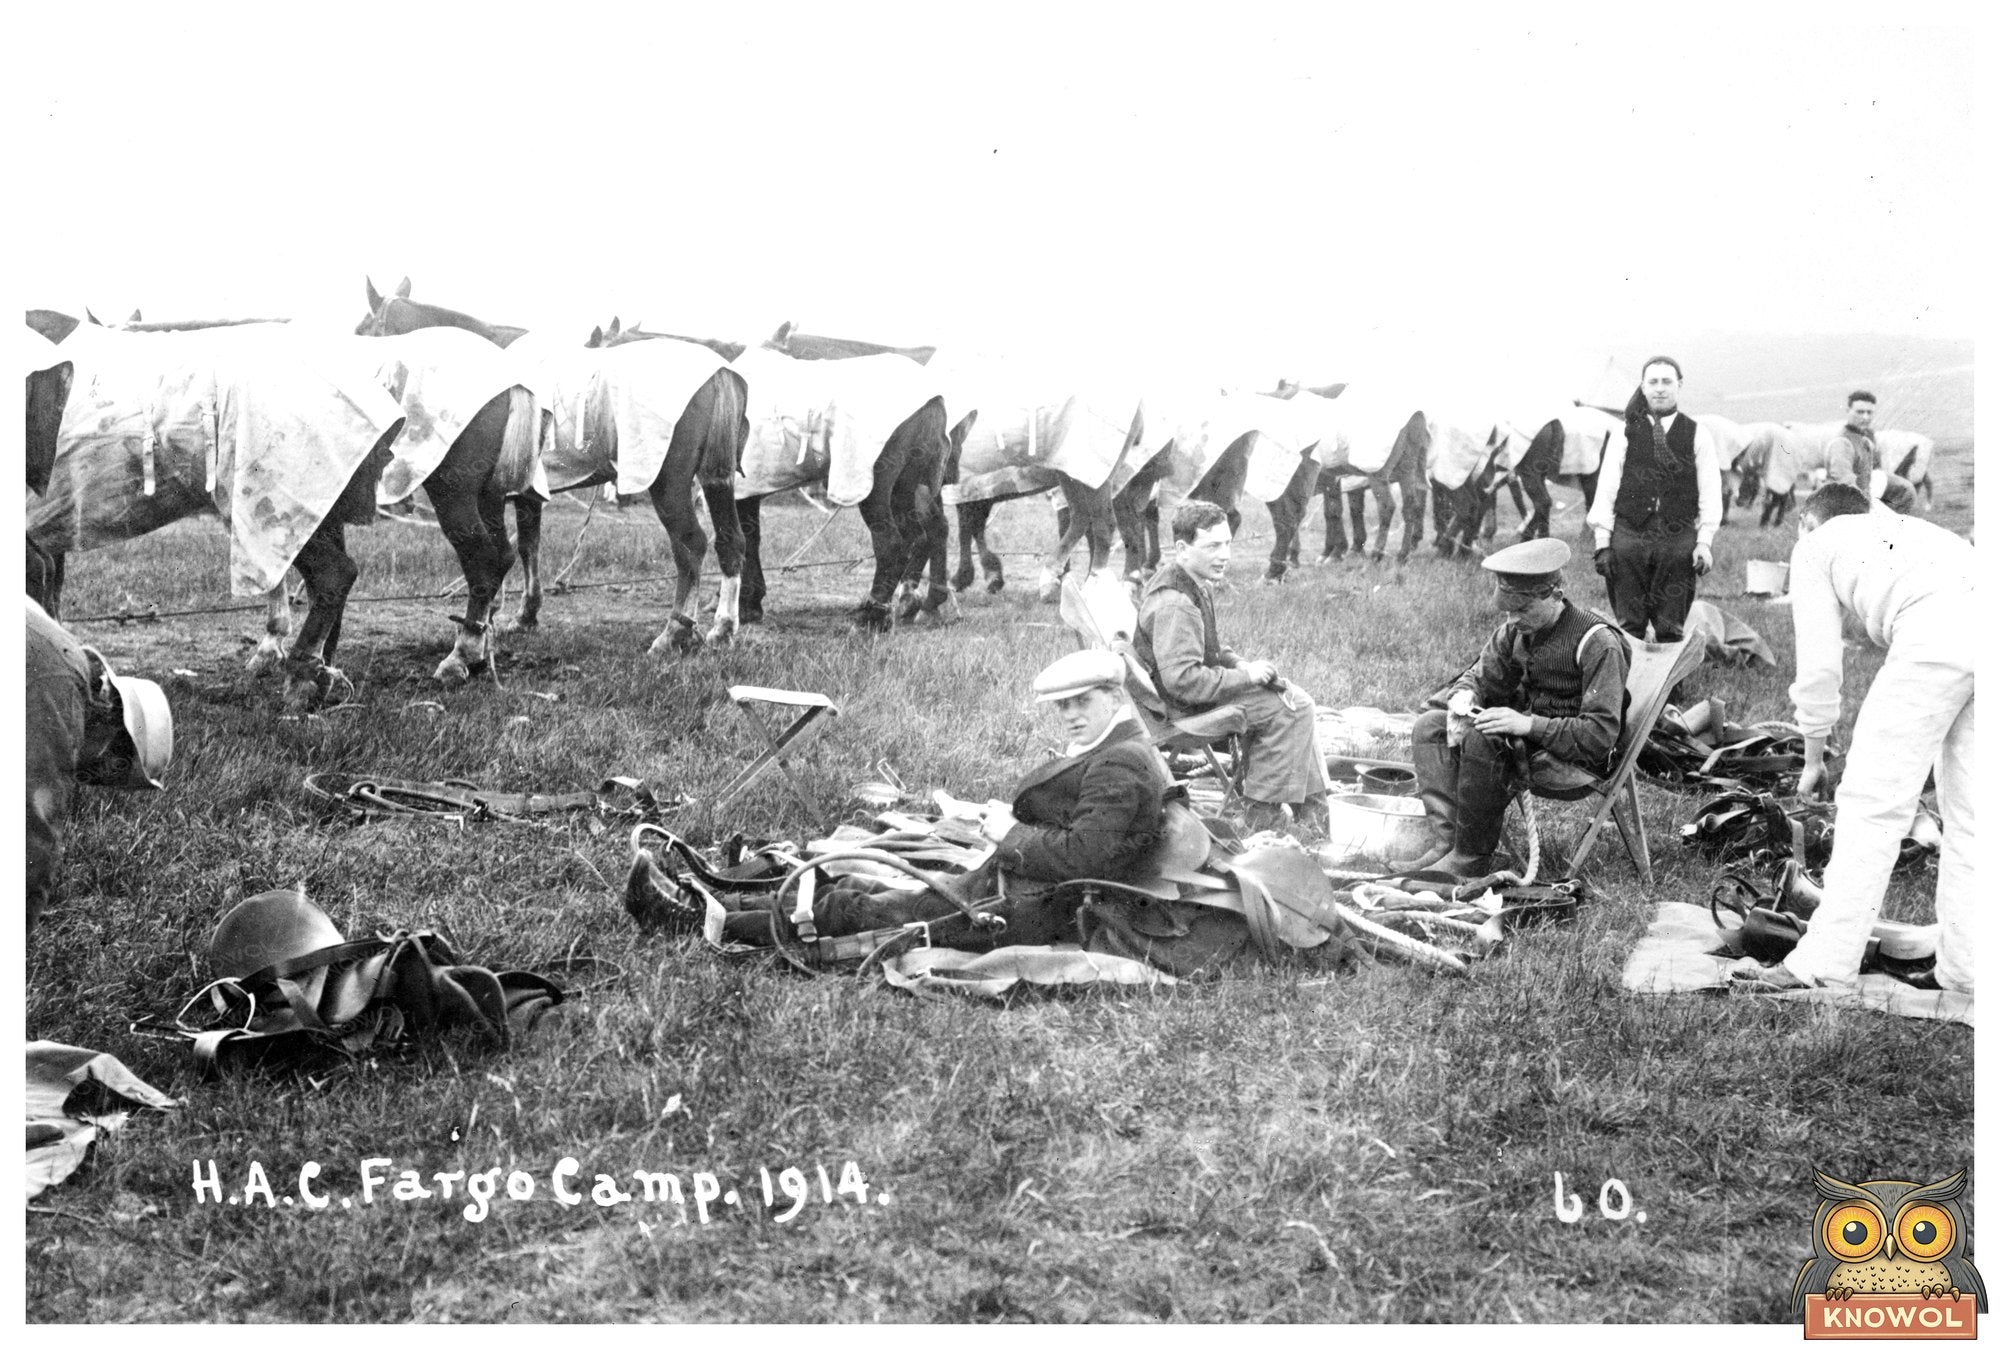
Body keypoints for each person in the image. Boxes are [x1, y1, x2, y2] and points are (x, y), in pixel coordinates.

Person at [718, 648, 1176, 948]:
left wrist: (1012, 833)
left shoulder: (1120, 762)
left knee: (853, 909)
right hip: (1021, 890)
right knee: (859, 889)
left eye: (1082, 701)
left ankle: (711, 919)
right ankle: (728, 902)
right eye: (1063, 705)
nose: (1070, 715)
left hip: (1027, 910)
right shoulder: (1119, 749)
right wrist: (1010, 825)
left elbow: (1084, 857)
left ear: (1115, 696)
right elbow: (1086, 834)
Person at [1728, 483, 1975, 994]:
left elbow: (1820, 666)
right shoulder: (1909, 529)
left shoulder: (1815, 545)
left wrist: (1813, 757)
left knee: (1871, 807)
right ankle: (1966, 970)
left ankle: (1823, 962)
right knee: (1973, 818)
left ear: (1807, 523)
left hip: (1936, 636)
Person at [1394, 539, 1631, 879]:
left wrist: (1528, 725)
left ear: (1555, 595)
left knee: (1484, 738)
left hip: (1575, 760)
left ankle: (1470, 859)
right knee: (1431, 726)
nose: (1512, 619)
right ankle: (1447, 843)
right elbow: (1480, 676)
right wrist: (1464, 695)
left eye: (1522, 609)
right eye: (1507, 610)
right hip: (1528, 742)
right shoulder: (1516, 630)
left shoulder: (1597, 643)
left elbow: (1599, 736)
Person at [1132, 499, 1331, 835]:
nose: (1224, 555)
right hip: (1182, 710)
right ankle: (1264, 814)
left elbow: (1207, 649)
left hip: (1188, 698)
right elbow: (1183, 680)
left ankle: (1312, 811)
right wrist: (1245, 677)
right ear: (1182, 549)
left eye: (1227, 544)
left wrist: (1241, 664)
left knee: (1296, 701)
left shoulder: (1192, 581)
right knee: (1289, 708)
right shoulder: (1176, 604)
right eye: (1212, 546)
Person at [25, 596, 172, 933]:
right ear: (112, 726)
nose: (87, 777)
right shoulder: (57, 680)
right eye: (106, 770)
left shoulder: (49, 647)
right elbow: (30, 833)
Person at [1588, 356, 1722, 643]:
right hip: (1629, 535)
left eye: (1667, 382)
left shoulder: (1697, 434)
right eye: (1653, 382)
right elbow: (1607, 487)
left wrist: (1704, 542)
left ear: (1679, 385)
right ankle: (1629, 670)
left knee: (1670, 626)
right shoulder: (1624, 432)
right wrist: (1602, 544)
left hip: (1676, 538)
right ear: (1643, 386)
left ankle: (1669, 672)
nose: (1660, 388)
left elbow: (1710, 491)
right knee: (1629, 624)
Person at [1823, 390, 1916, 514]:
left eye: (1869, 412)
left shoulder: (1868, 435)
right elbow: (1844, 481)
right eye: (1860, 412)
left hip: (1864, 495)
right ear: (1848, 411)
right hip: (1842, 502)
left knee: (1906, 490)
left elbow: (1876, 469)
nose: (1865, 417)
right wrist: (1869, 505)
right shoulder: (1842, 442)